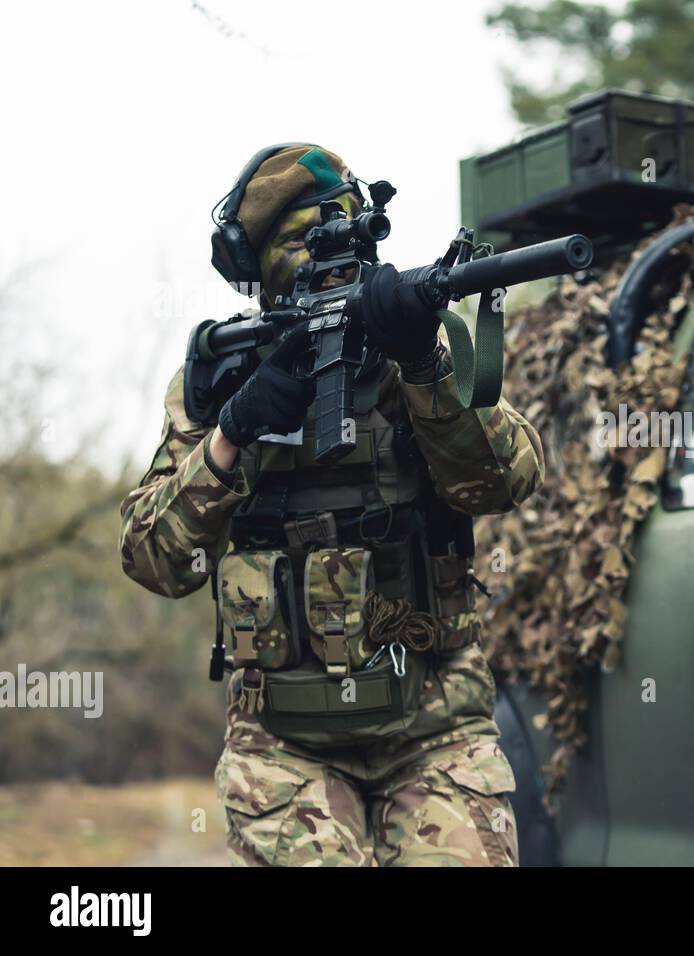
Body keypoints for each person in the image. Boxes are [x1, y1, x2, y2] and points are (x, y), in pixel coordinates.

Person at [119, 143, 545, 866]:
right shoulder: (221, 376)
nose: (331, 251)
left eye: (344, 226)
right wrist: (230, 434)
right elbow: (154, 560)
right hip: (282, 746)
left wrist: (423, 362)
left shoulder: (416, 344)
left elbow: (505, 481)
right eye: (301, 238)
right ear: (254, 266)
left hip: (436, 728)